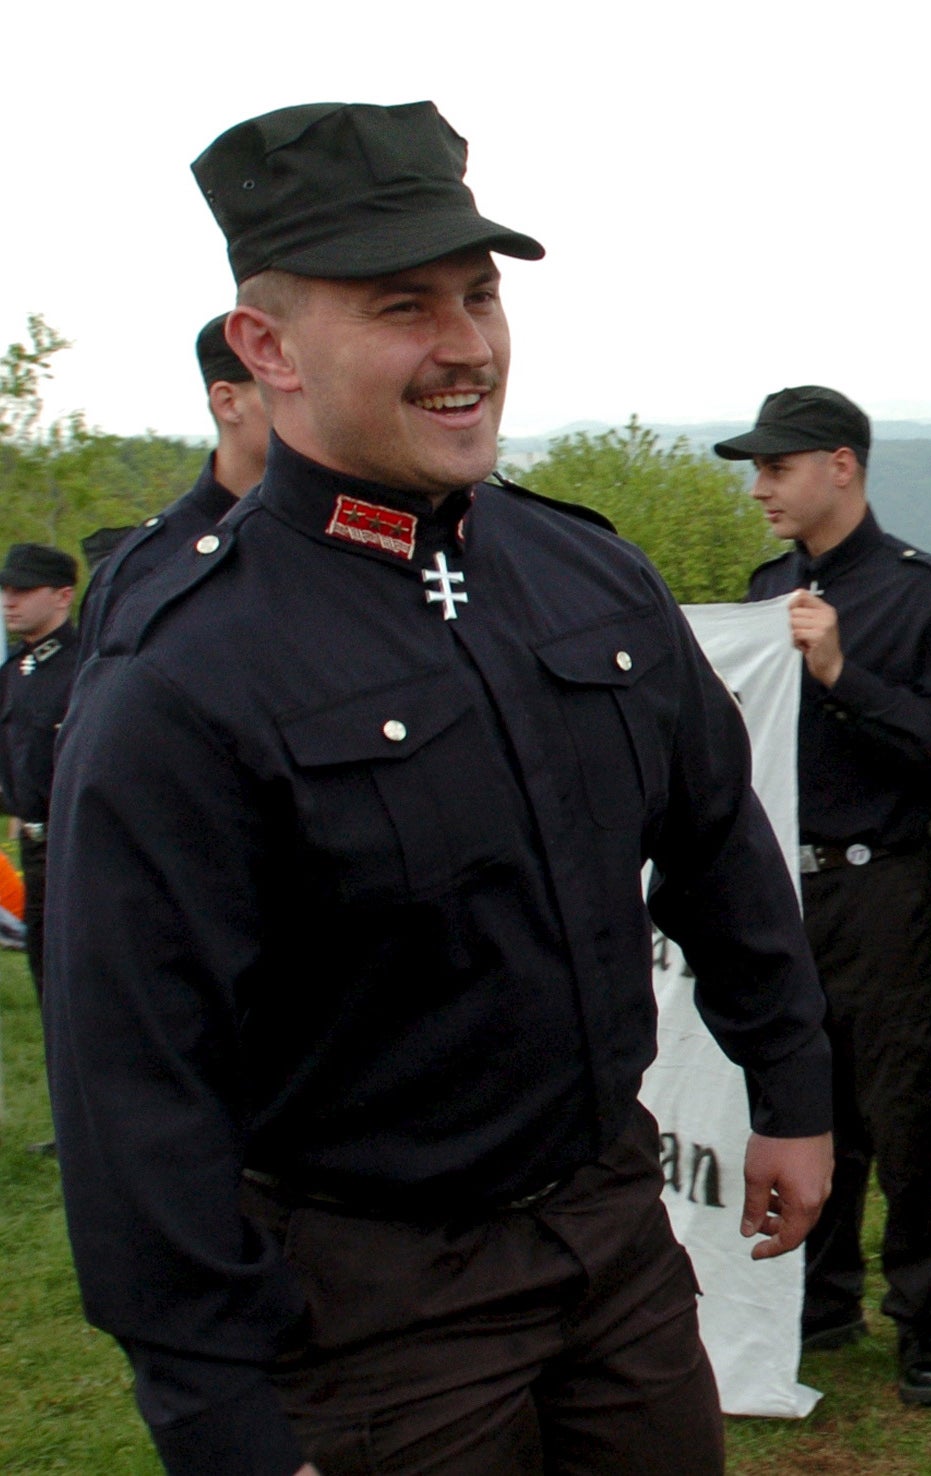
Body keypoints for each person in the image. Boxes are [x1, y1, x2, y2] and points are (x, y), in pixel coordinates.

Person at [44, 100, 833, 1476]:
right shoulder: (186, 670)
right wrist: (216, 1408)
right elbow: (133, 1083)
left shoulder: (588, 576)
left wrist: (793, 1086)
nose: (466, 344)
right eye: (403, 306)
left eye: (478, 295)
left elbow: (717, 845)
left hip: (611, 1238)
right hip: (371, 1306)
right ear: (267, 347)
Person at [727, 387, 931, 1406]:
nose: (758, 489)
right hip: (791, 890)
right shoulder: (764, 590)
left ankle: (925, 1321)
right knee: (805, 1098)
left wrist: (841, 673)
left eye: (776, 468)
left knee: (909, 1109)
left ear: (841, 465)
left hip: (890, 889)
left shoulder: (922, 595)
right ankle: (817, 1298)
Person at [77, 313, 271, 656]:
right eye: (277, 385)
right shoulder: (149, 566)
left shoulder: (335, 535)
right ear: (228, 403)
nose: (308, 404)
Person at [0, 542, 80, 1007]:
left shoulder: (86, 665)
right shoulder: (13, 671)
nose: (10, 600)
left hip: (77, 844)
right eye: (7, 589)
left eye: (25, 590)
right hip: (33, 848)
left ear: (62, 595)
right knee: (45, 975)